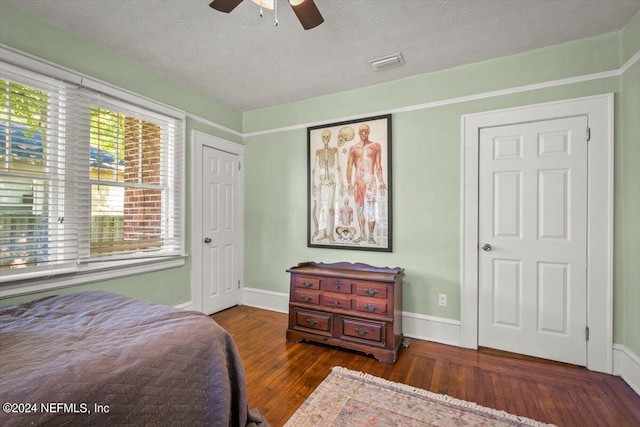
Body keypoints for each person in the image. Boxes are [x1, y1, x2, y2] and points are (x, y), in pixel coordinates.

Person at [345, 123, 386, 244]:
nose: (364, 133)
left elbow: (378, 166)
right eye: (361, 131)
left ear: (369, 132)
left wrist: (381, 182)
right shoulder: (353, 148)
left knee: (371, 209)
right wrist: (349, 183)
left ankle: (371, 236)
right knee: (359, 209)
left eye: (366, 131)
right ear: (358, 133)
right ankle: (362, 234)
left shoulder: (375, 146)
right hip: (358, 181)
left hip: (370, 180)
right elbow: (349, 167)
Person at [311, 130, 344, 242]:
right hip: (322, 184)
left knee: (331, 209)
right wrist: (313, 185)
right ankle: (324, 233)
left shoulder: (334, 151)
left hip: (331, 183)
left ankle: (331, 234)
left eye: (328, 137)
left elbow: (338, 167)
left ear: (330, 138)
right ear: (322, 138)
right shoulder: (318, 152)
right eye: (324, 137)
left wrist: (342, 183)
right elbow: (314, 169)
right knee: (322, 209)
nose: (326, 139)